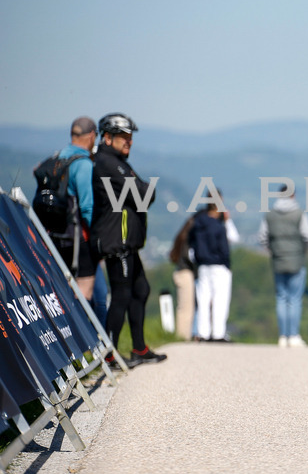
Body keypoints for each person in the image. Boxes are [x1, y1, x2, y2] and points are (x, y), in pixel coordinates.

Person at [92, 113, 167, 365]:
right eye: (124, 137)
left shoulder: (118, 162)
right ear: (107, 137)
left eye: (131, 137)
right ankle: (110, 353)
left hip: (128, 243)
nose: (129, 142)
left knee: (141, 289)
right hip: (117, 241)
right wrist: (143, 187)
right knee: (122, 295)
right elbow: (144, 194)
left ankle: (139, 349)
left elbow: (142, 192)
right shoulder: (107, 163)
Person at [258, 186, 308, 348]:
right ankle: (293, 335)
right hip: (297, 259)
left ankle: (282, 336)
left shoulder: (270, 215)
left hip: (278, 259)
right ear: (293, 195)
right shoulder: (299, 214)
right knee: (295, 299)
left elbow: (262, 237)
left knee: (281, 298)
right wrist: (302, 251)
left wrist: (272, 250)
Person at [49, 117, 100, 301]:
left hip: (54, 234)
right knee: (84, 294)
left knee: (61, 291)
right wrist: (97, 238)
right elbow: (87, 206)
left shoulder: (58, 158)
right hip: (79, 238)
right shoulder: (83, 164)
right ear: (92, 136)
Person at [189, 195, 239, 342]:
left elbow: (192, 246)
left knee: (203, 300)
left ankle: (203, 333)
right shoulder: (218, 227)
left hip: (203, 266)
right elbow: (227, 246)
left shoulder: (197, 224)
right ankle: (218, 333)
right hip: (219, 267)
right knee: (220, 300)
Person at [169, 212, 199, 340]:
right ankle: (183, 336)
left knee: (184, 307)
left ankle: (184, 336)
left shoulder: (181, 236)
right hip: (185, 273)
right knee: (186, 308)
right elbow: (188, 257)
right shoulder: (188, 238)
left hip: (180, 272)